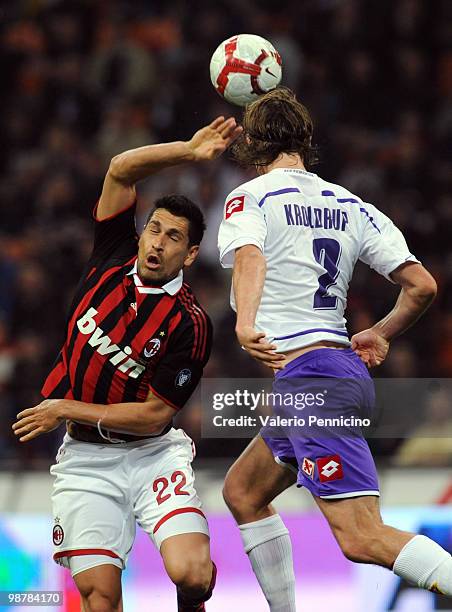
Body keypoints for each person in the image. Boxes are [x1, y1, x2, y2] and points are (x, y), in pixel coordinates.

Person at [217, 87, 451, 611]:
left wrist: (245, 322)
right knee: (243, 492)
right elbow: (422, 286)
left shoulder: (251, 197)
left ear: (252, 144)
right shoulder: (350, 204)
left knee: (361, 536)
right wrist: (383, 333)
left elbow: (250, 254)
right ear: (306, 141)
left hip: (312, 381)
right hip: (333, 371)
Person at [13, 115, 241, 612]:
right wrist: (189, 150)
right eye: (154, 229)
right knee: (98, 597)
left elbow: (156, 416)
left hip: (152, 454)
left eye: (174, 237)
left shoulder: (191, 324)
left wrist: (65, 408)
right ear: (140, 233)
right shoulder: (110, 257)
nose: (158, 243)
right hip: (86, 462)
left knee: (193, 574)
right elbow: (120, 169)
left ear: (191, 252)